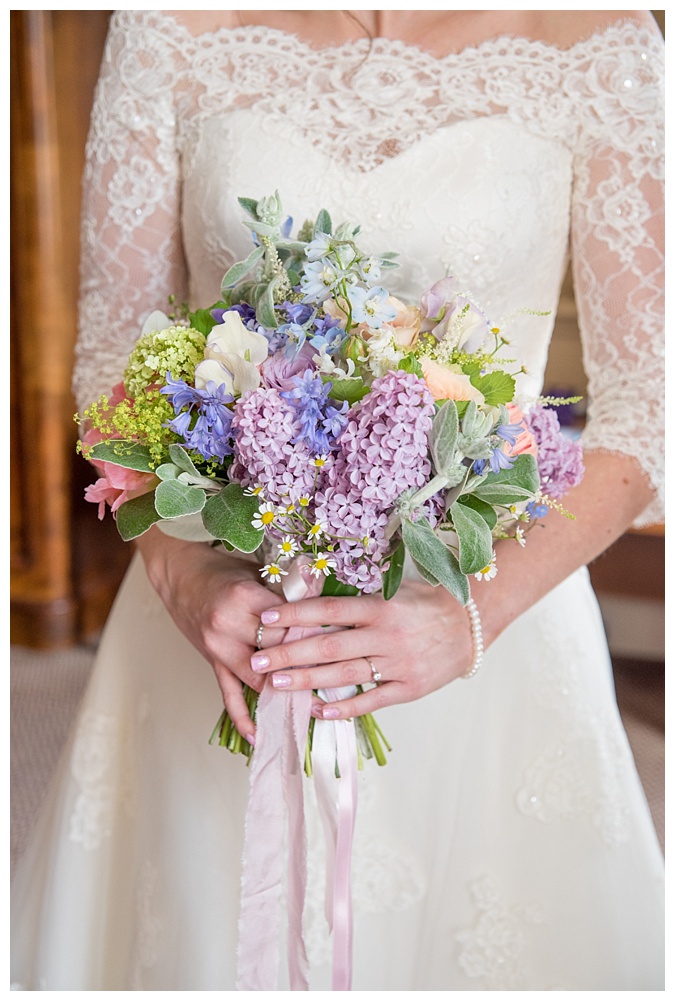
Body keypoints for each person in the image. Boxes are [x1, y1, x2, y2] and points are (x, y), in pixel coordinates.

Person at [11, 9, 665, 990]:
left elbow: (652, 409)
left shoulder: (602, 38)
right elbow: (116, 359)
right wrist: (190, 576)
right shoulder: (165, 23)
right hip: (227, 610)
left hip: (489, 610)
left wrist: (461, 620)